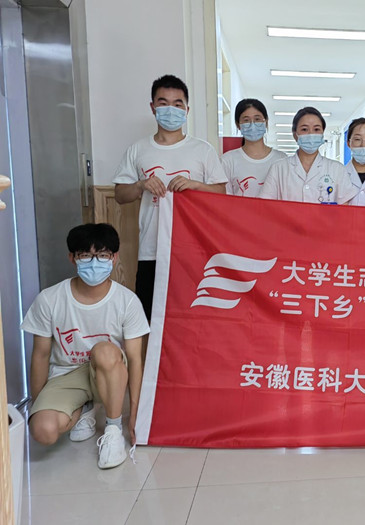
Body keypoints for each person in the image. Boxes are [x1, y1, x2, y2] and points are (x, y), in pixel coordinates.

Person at [21, 223, 150, 469]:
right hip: (66, 375)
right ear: (72, 258)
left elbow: (135, 359)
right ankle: (84, 409)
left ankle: (112, 430)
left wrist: (135, 415)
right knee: (43, 431)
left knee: (103, 350)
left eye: (102, 255)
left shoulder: (127, 301)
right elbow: (40, 355)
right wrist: (39, 404)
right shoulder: (49, 299)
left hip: (108, 371)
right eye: (85, 255)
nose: (94, 263)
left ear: (114, 258)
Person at [113, 74, 227, 320]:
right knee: (150, 318)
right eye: (163, 103)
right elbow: (120, 195)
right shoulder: (138, 149)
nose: (170, 110)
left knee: (191, 318)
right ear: (152, 107)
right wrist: (141, 185)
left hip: (192, 249)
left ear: (187, 110)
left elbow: (221, 192)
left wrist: (195, 185)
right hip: (151, 250)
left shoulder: (203, 150)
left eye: (177, 104)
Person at [259, 106, 354, 204]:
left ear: (322, 134)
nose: (311, 134)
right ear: (295, 135)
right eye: (304, 129)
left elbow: (345, 207)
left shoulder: (337, 169)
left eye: (316, 129)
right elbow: (265, 205)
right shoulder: (278, 168)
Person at [222, 98, 288, 197]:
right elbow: (225, 199)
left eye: (257, 119)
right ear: (238, 125)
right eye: (246, 120)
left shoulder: (281, 158)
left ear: (266, 122)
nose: (252, 124)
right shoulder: (227, 160)